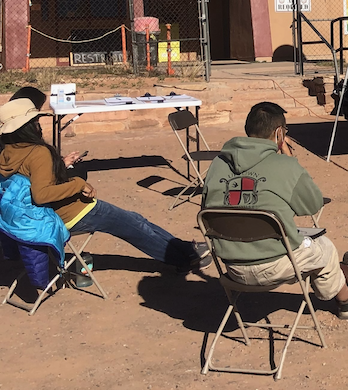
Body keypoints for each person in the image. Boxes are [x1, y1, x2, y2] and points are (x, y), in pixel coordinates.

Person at [0, 97, 210, 272]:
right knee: (135, 227)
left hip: (46, 217)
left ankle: (184, 248)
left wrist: (61, 164)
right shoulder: (38, 152)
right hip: (73, 212)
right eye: (36, 121)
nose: (39, 125)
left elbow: (33, 179)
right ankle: (184, 259)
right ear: (28, 126)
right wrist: (78, 184)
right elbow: (42, 193)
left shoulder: (8, 153)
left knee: (136, 220)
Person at [202, 102, 348, 320]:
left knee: (309, 248)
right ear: (279, 133)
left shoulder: (217, 164)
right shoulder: (285, 165)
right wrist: (291, 161)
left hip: (233, 267)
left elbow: (207, 210)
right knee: (324, 247)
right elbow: (312, 204)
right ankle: (346, 297)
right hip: (277, 264)